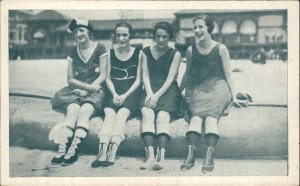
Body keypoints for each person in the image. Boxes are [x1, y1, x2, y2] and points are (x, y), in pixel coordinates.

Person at [179, 15, 247, 173]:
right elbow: (187, 74)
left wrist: (234, 95)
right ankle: (190, 156)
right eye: (195, 27)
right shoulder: (190, 50)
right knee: (195, 119)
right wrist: (177, 90)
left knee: (210, 119)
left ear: (209, 28)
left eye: (201, 27)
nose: (197, 30)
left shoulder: (221, 48)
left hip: (218, 87)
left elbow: (228, 74)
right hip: (196, 88)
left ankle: (209, 158)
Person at [49, 17, 108, 166]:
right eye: (76, 31)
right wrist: (84, 88)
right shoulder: (72, 51)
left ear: (89, 32)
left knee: (85, 110)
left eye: (82, 30)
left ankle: (74, 149)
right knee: (72, 108)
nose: (79, 34)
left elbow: (103, 74)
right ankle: (62, 147)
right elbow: (69, 78)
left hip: (96, 88)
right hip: (77, 88)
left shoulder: (100, 48)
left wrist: (88, 91)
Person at [91, 22, 142, 168]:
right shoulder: (110, 52)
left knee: (121, 115)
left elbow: (139, 80)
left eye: (124, 35)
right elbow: (107, 78)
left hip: (131, 91)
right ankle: (101, 152)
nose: (121, 38)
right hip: (113, 90)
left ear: (130, 36)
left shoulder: (139, 53)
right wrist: (114, 93)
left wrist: (125, 95)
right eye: (118, 35)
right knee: (110, 114)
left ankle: (112, 151)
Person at [139, 21, 182, 171]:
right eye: (158, 36)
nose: (161, 39)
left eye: (165, 36)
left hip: (167, 90)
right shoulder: (144, 52)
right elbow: (144, 74)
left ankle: (160, 156)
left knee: (162, 116)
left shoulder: (175, 54)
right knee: (146, 112)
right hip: (150, 89)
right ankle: (149, 154)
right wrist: (150, 93)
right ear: (154, 36)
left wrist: (156, 96)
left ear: (170, 37)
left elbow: (171, 79)